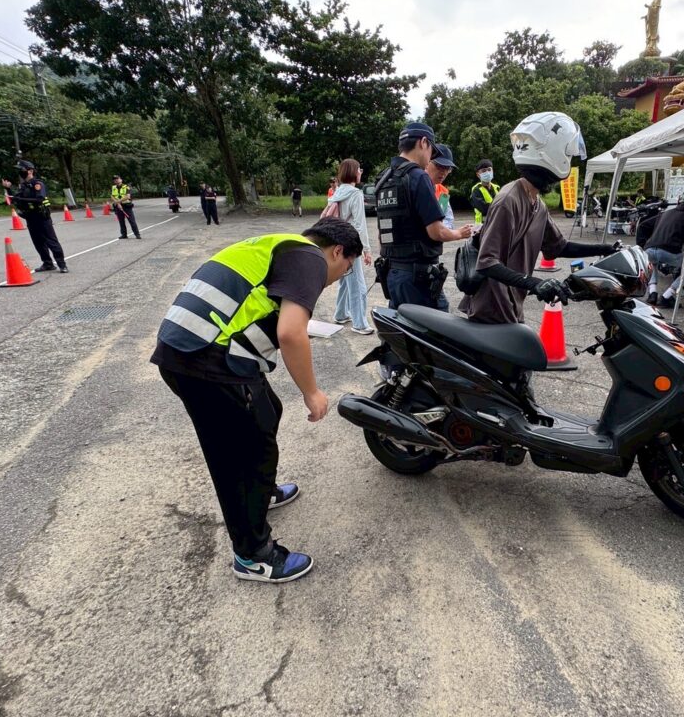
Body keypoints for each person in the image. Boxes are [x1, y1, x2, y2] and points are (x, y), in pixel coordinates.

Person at [151, 217, 363, 583]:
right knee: (239, 454)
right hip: (205, 359)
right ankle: (252, 555)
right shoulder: (311, 259)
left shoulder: (281, 246)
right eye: (344, 270)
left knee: (266, 412)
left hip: (189, 346)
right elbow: (291, 333)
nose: (337, 280)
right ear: (337, 251)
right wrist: (312, 393)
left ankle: (260, 493)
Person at [460, 111, 619, 325]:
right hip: (491, 307)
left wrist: (605, 250)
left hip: (511, 304)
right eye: (568, 155)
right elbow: (487, 263)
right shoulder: (508, 200)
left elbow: (559, 247)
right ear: (553, 155)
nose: (569, 161)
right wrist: (535, 283)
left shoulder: (538, 204)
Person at [375, 122, 473, 311]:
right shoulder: (418, 177)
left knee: (402, 333)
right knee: (432, 332)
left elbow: (383, 231)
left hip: (393, 273)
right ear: (423, 142)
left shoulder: (384, 178)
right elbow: (436, 232)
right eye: (431, 152)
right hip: (416, 276)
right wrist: (459, 234)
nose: (430, 159)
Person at [328, 159, 374, 334]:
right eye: (359, 169)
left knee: (345, 280)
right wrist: (367, 250)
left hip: (337, 243)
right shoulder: (355, 194)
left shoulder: (337, 193)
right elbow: (360, 225)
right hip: (351, 244)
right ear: (354, 172)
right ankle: (360, 323)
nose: (361, 172)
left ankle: (340, 314)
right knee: (358, 285)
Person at [642, 190, 684, 308]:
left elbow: (643, 226)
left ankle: (652, 293)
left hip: (649, 249)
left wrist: (643, 245)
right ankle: (667, 296)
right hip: (669, 251)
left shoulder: (665, 213)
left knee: (653, 265)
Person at [3, 160, 68, 273]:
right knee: (38, 242)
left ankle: (62, 265)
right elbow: (15, 198)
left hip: (42, 216)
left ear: (30, 171)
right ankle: (47, 263)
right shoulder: (23, 186)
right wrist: (8, 189)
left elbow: (39, 199)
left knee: (51, 241)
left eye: (22, 170)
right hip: (30, 217)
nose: (20, 172)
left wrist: (20, 199)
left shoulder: (37, 184)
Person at [428, 144, 458, 229]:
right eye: (439, 166)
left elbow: (448, 220)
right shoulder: (414, 186)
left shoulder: (443, 192)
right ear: (427, 162)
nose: (444, 172)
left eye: (448, 168)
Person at [469, 159, 500, 225]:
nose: (487, 172)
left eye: (489, 169)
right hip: (481, 227)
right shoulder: (476, 189)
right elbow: (484, 208)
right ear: (478, 174)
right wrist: (500, 207)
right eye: (484, 171)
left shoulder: (497, 188)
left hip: (496, 225)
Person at [111, 175, 141, 239]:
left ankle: (137, 234)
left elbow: (128, 196)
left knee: (132, 221)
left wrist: (118, 201)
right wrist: (118, 203)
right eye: (114, 179)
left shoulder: (126, 187)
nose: (116, 180)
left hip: (127, 206)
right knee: (121, 221)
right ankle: (124, 234)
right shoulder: (113, 187)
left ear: (121, 180)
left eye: (117, 179)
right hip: (118, 206)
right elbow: (112, 196)